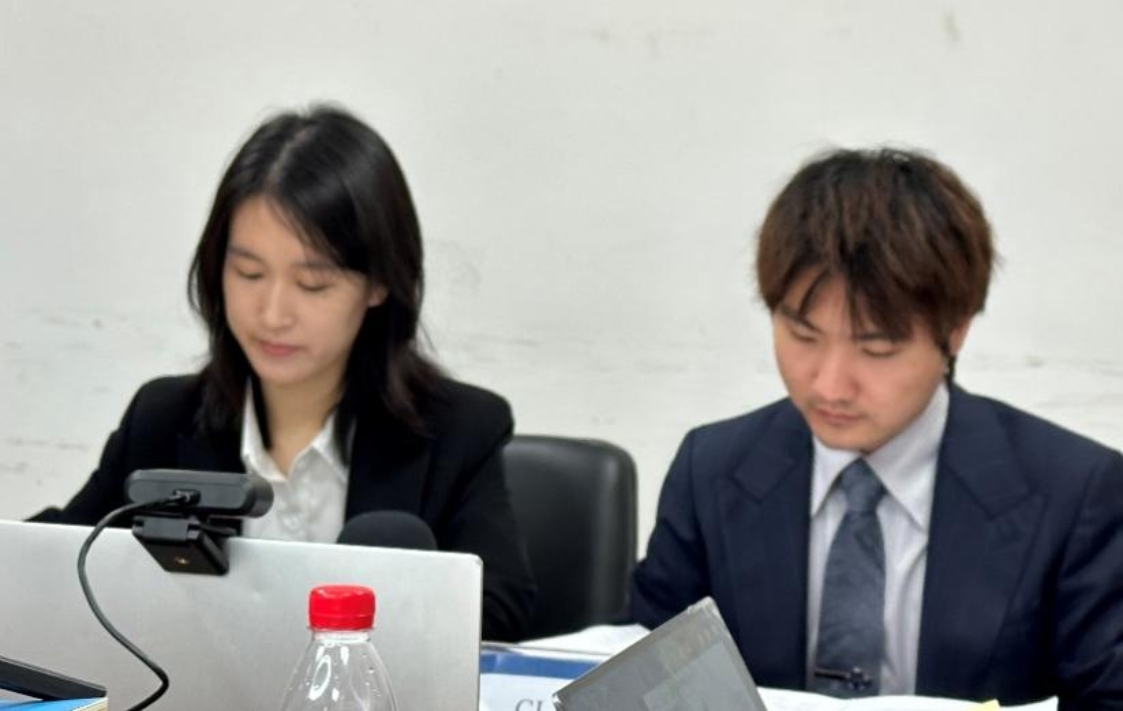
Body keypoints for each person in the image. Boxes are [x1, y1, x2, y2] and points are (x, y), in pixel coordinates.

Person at [629, 148, 1123, 706]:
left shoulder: (1075, 493)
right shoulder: (712, 470)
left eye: (877, 349)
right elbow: (643, 676)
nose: (830, 385)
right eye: (803, 336)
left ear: (955, 331)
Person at [33, 105, 535, 642]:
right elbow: (54, 562)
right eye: (249, 273)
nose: (272, 314)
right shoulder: (163, 419)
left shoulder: (457, 430)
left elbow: (498, 613)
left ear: (378, 284)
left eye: (312, 284)